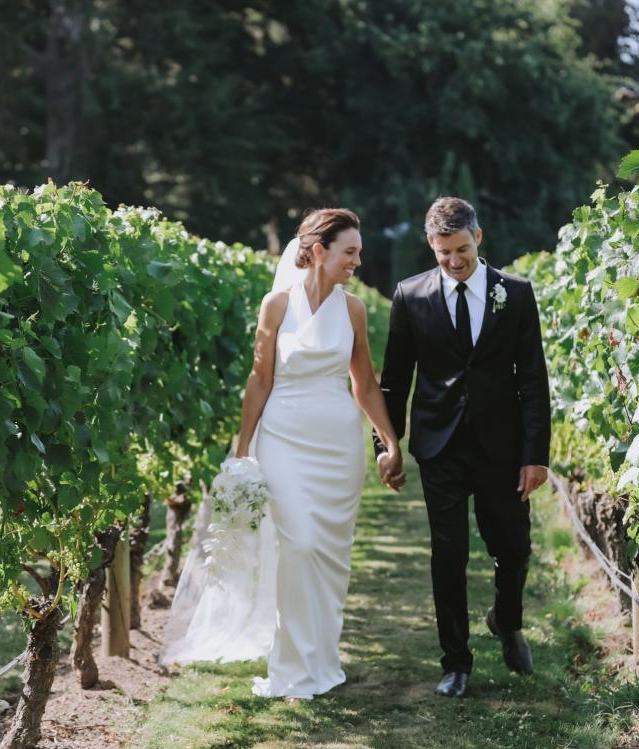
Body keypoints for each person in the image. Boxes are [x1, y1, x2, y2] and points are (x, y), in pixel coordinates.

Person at [160, 208, 403, 702]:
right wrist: (244, 449)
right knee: (300, 547)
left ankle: (322, 662)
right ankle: (291, 671)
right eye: (349, 252)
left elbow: (365, 384)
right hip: (284, 442)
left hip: (338, 448)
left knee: (330, 559)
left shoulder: (353, 309)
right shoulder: (276, 305)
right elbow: (260, 380)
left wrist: (390, 442)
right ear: (318, 251)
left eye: (358, 252)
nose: (357, 261)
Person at [375, 196, 551, 698]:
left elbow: (533, 379)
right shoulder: (410, 296)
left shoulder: (515, 293)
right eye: (443, 252)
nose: (454, 261)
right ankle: (456, 661)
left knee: (513, 549)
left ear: (479, 237)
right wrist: (387, 444)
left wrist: (535, 453)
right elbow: (394, 381)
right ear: (430, 245)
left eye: (462, 250)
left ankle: (507, 620)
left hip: (502, 445)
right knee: (447, 554)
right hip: (440, 445)